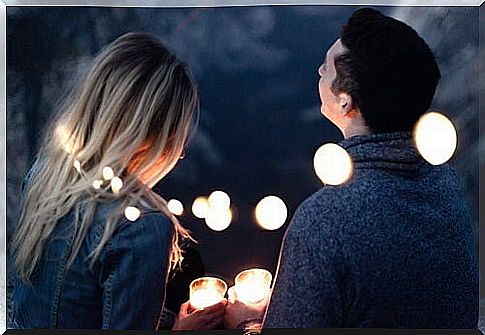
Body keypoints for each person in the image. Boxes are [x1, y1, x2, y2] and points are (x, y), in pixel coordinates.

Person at [225, 8, 478, 329]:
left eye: (327, 67)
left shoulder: (324, 219)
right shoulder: (447, 186)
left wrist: (244, 325)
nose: (319, 69)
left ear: (345, 102)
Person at [8, 32, 226, 330]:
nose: (180, 151)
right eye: (178, 135)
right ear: (155, 136)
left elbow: (76, 304)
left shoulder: (45, 176)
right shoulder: (143, 227)